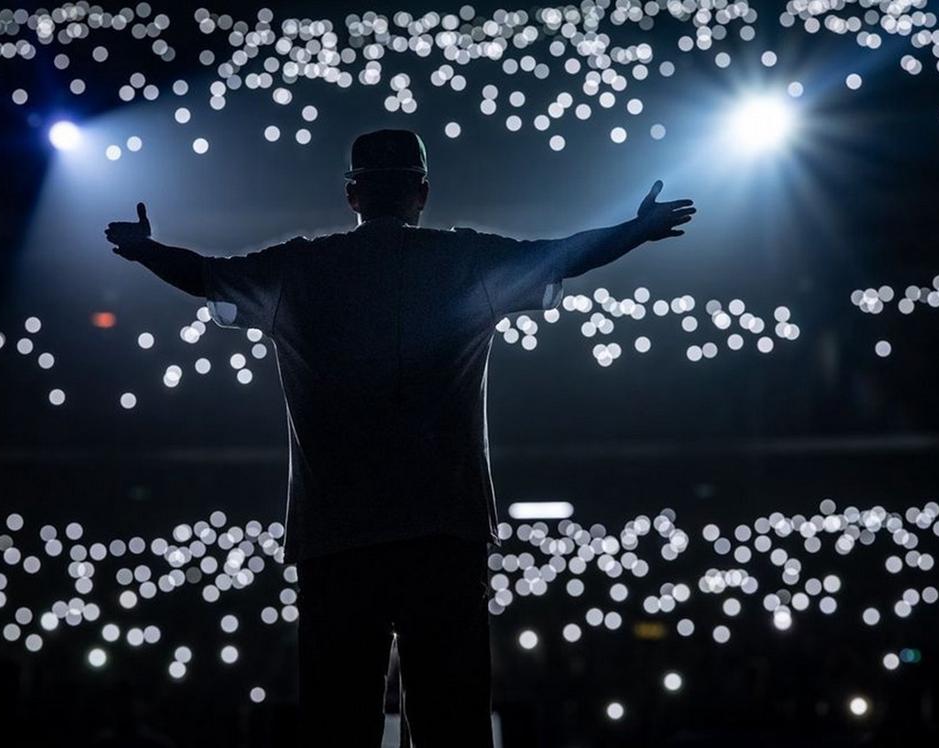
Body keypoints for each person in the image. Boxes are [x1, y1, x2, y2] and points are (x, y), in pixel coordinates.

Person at [106, 129, 695, 746]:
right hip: (444, 530)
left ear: (352, 194)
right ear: (423, 192)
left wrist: (147, 250)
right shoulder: (465, 262)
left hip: (336, 536)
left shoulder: (299, 271)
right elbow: (564, 254)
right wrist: (636, 230)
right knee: (452, 723)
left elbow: (204, 276)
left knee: (338, 724)